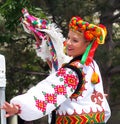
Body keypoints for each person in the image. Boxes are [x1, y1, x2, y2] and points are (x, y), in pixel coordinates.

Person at [0, 16, 111, 124]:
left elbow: (48, 93)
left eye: (75, 40)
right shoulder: (91, 65)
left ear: (88, 45)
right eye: (68, 38)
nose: (68, 43)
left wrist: (19, 107)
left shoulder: (72, 72)